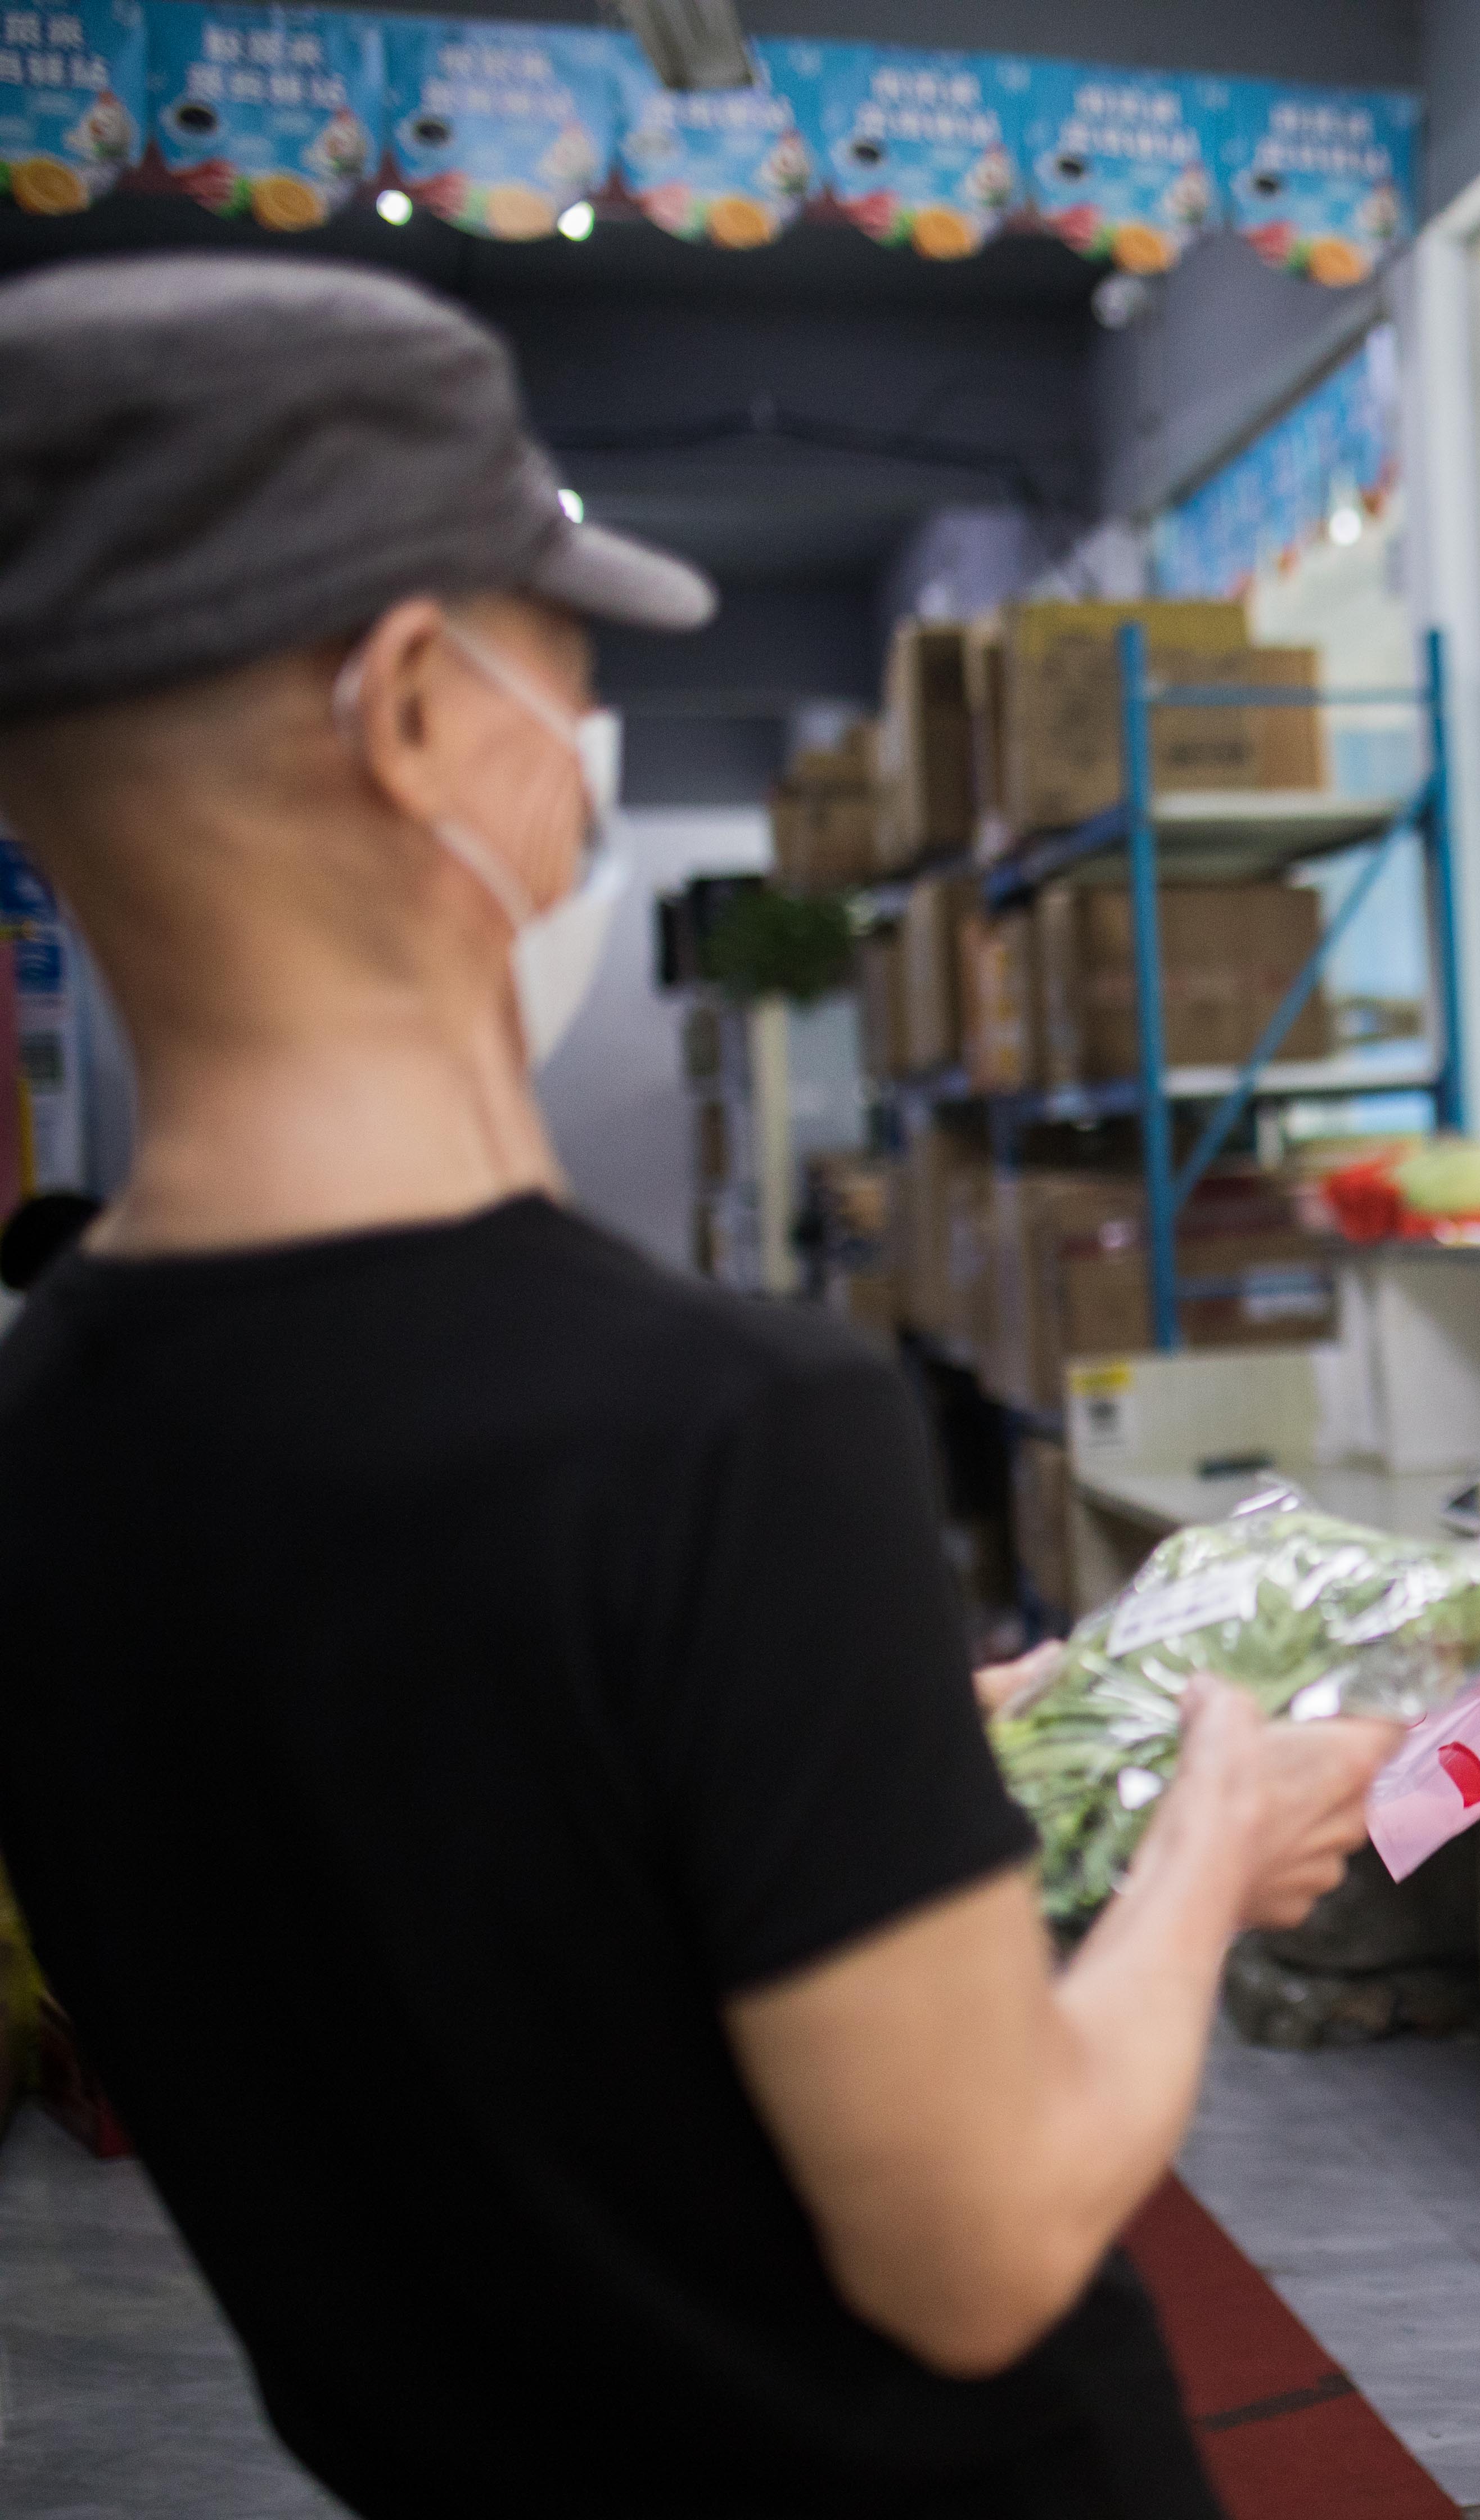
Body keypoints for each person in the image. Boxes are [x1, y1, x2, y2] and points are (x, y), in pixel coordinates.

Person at [0, 255, 1398, 2517]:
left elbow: (468, 1881)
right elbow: (988, 2233)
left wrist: (855, 1752)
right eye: (562, 656)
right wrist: (1213, 1841)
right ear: (415, 711)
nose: (589, 729)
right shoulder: (728, 1432)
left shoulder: (51, 1437)